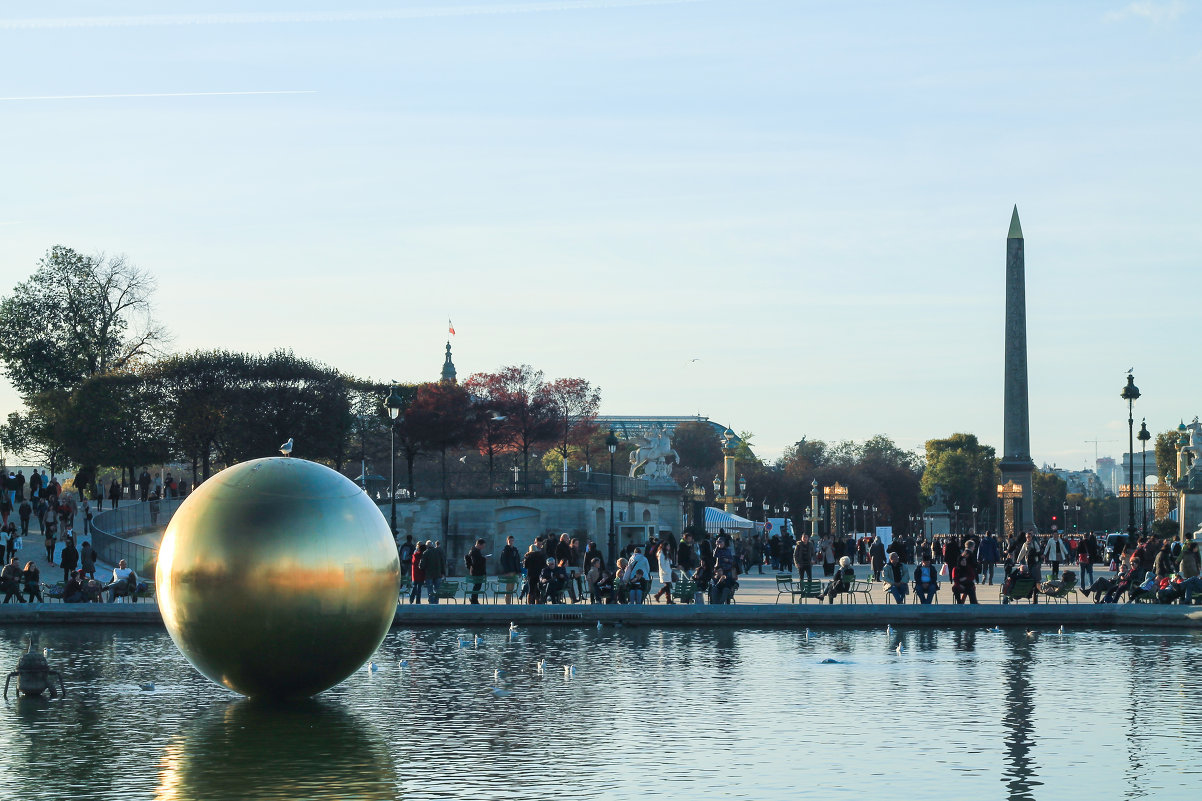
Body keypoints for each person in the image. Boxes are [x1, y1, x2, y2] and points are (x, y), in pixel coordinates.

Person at [465, 538, 487, 604]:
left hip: (476, 571)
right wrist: (484, 559)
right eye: (483, 546)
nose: (483, 547)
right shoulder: (475, 551)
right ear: (479, 544)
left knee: (477, 586)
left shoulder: (474, 550)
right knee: (477, 586)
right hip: (477, 572)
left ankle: (474, 599)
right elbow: (476, 562)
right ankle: (474, 600)